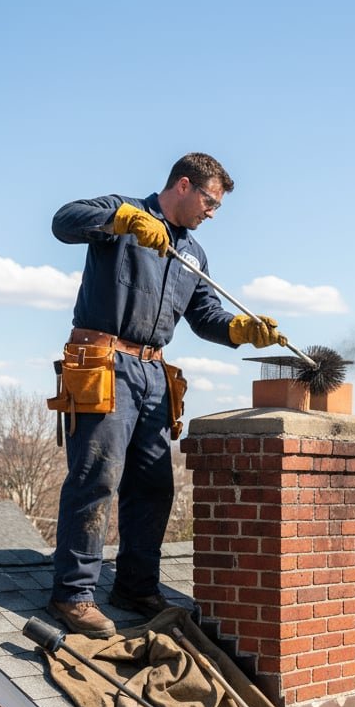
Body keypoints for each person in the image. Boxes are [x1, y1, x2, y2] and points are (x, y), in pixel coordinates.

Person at [46, 153, 283, 638]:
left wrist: (241, 330)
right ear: (183, 185)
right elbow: (62, 222)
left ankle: (135, 586)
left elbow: (206, 317)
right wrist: (121, 221)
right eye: (210, 202)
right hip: (104, 363)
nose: (212, 213)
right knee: (96, 478)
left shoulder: (192, 253)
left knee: (154, 486)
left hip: (154, 375)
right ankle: (73, 593)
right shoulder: (123, 211)